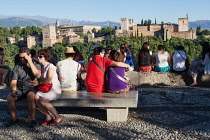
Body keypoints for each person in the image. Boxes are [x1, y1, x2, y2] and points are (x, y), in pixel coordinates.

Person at [5, 47, 41, 127]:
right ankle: (14, 119)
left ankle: (32, 119)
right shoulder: (17, 67)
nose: (21, 59)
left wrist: (30, 62)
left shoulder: (36, 65)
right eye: (20, 57)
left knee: (31, 95)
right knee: (9, 97)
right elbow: (13, 81)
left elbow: (37, 75)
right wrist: (14, 90)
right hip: (20, 89)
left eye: (23, 57)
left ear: (29, 56)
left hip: (31, 88)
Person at [34, 48, 62, 125]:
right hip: (46, 87)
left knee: (41, 100)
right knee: (36, 97)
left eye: (41, 56)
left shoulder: (51, 67)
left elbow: (49, 80)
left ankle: (57, 117)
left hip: (53, 88)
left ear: (45, 57)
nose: (38, 58)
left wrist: (38, 83)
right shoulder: (42, 67)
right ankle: (48, 116)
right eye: (38, 56)